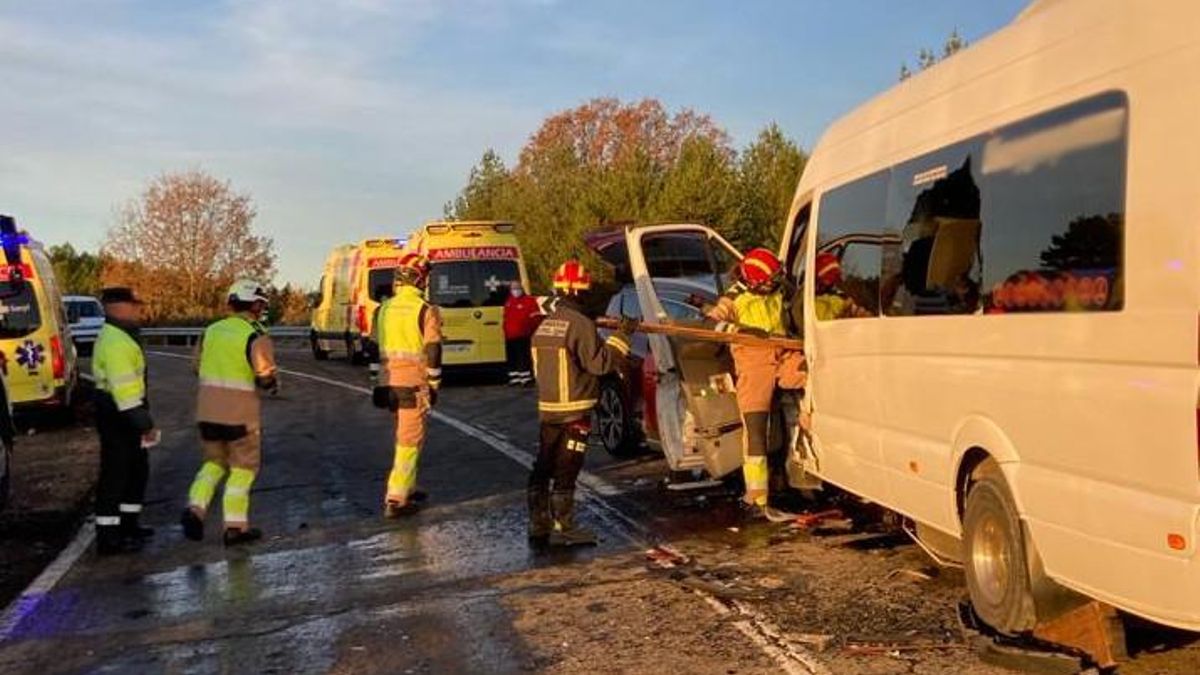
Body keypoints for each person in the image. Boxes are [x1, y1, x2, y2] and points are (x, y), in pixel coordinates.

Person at [529, 259, 632, 547]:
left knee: (543, 465)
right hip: (575, 409)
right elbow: (600, 364)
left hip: (548, 409)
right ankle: (565, 529)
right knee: (567, 468)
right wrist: (622, 336)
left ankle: (538, 524)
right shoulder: (581, 324)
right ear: (579, 291)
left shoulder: (546, 325)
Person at [705, 248, 806, 516]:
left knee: (814, 376)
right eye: (770, 279)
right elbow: (712, 326)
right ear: (753, 280)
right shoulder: (735, 297)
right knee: (756, 429)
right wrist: (739, 330)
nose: (775, 283)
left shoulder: (780, 289)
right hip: (752, 360)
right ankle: (757, 496)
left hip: (784, 351)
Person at [180, 280, 278, 546]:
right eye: (261, 304)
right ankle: (235, 527)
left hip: (208, 411)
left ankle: (195, 509)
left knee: (213, 463)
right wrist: (269, 382)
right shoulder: (255, 334)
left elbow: (196, 367)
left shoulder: (210, 331)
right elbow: (265, 375)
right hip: (240, 414)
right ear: (255, 305)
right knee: (243, 468)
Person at [371, 252, 442, 518]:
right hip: (414, 384)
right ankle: (397, 497)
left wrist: (375, 383)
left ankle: (409, 485)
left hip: (389, 383)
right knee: (409, 441)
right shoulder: (425, 309)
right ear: (420, 279)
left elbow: (372, 348)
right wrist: (434, 383)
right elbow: (433, 349)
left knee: (408, 434)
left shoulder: (384, 308)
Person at [92, 287, 157, 555]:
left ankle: (128, 525)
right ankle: (109, 537)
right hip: (119, 413)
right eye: (133, 305)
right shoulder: (117, 342)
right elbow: (125, 391)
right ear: (117, 307)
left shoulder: (122, 336)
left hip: (124, 410)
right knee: (116, 474)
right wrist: (144, 423)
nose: (137, 309)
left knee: (136, 470)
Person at [503, 281, 541, 386]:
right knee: (512, 358)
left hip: (524, 335)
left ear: (522, 288)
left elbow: (535, 318)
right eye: (513, 288)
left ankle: (526, 379)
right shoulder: (509, 302)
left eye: (517, 288)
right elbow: (506, 319)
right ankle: (514, 378)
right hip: (510, 336)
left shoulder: (529, 301)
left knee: (523, 358)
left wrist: (532, 331)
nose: (515, 290)